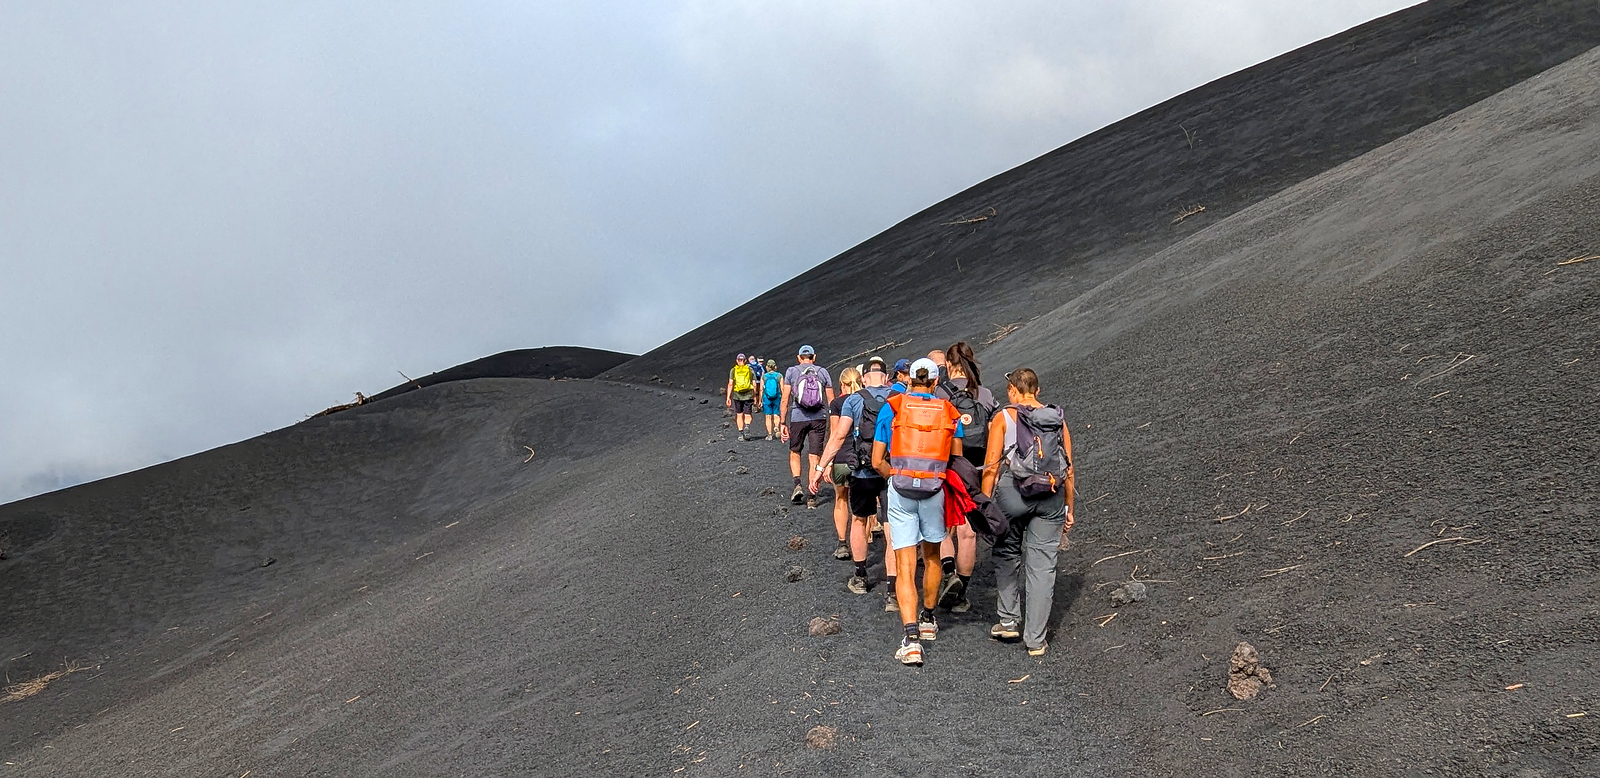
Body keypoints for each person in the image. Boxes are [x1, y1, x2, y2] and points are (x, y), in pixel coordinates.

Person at [872, 357, 963, 667]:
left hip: (901, 492)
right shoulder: (948, 411)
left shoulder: (893, 407)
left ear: (908, 379)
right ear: (935, 382)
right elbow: (957, 458)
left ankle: (911, 641)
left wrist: (894, 477)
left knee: (905, 562)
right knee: (933, 556)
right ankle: (927, 618)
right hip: (934, 491)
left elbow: (876, 459)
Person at [981, 368, 1074, 658]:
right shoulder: (1056, 418)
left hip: (1013, 491)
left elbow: (992, 465)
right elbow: (1068, 468)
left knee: (1007, 551)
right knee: (1043, 566)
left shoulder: (1003, 417)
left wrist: (985, 504)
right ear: (1037, 390)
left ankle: (1008, 620)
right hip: (1051, 493)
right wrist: (1068, 507)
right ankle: (1035, 640)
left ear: (1012, 391)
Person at [811, 357, 892, 596]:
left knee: (859, 520)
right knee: (890, 526)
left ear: (864, 378)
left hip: (863, 470)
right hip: (891, 472)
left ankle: (860, 576)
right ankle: (893, 589)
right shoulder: (899, 397)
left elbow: (838, 437)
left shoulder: (854, 401)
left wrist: (819, 468)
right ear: (886, 378)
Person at [934, 341, 998, 613]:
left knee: (943, 523)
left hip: (948, 464)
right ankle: (963, 591)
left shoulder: (940, 393)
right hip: (976, 466)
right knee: (968, 530)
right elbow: (996, 430)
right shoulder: (983, 394)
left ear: (948, 365)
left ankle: (949, 574)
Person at [815, 367, 863, 563]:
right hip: (861, 458)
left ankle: (842, 543)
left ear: (842, 384)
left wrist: (826, 464)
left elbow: (835, 433)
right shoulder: (865, 400)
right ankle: (863, 541)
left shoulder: (837, 403)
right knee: (862, 508)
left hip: (841, 458)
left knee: (840, 499)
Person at [781, 345, 835, 507]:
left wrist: (783, 422)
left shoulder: (791, 371)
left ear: (799, 358)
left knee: (795, 451)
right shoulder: (823, 372)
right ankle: (812, 495)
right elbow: (832, 400)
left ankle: (797, 484)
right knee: (814, 456)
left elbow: (785, 399)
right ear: (814, 357)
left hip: (798, 417)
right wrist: (834, 422)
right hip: (819, 417)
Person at [725, 353, 757, 440]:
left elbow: (731, 383)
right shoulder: (750, 369)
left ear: (737, 361)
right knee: (748, 414)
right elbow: (754, 384)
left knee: (739, 414)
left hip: (737, 395)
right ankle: (747, 426)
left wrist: (728, 397)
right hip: (748, 394)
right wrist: (755, 396)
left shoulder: (733, 370)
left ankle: (741, 433)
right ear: (745, 361)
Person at [760, 359, 783, 440]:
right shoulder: (779, 376)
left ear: (767, 367)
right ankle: (776, 427)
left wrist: (760, 400)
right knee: (776, 414)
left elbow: (761, 389)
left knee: (768, 416)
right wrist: (783, 399)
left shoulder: (764, 376)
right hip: (777, 397)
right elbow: (782, 388)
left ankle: (769, 435)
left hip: (767, 398)